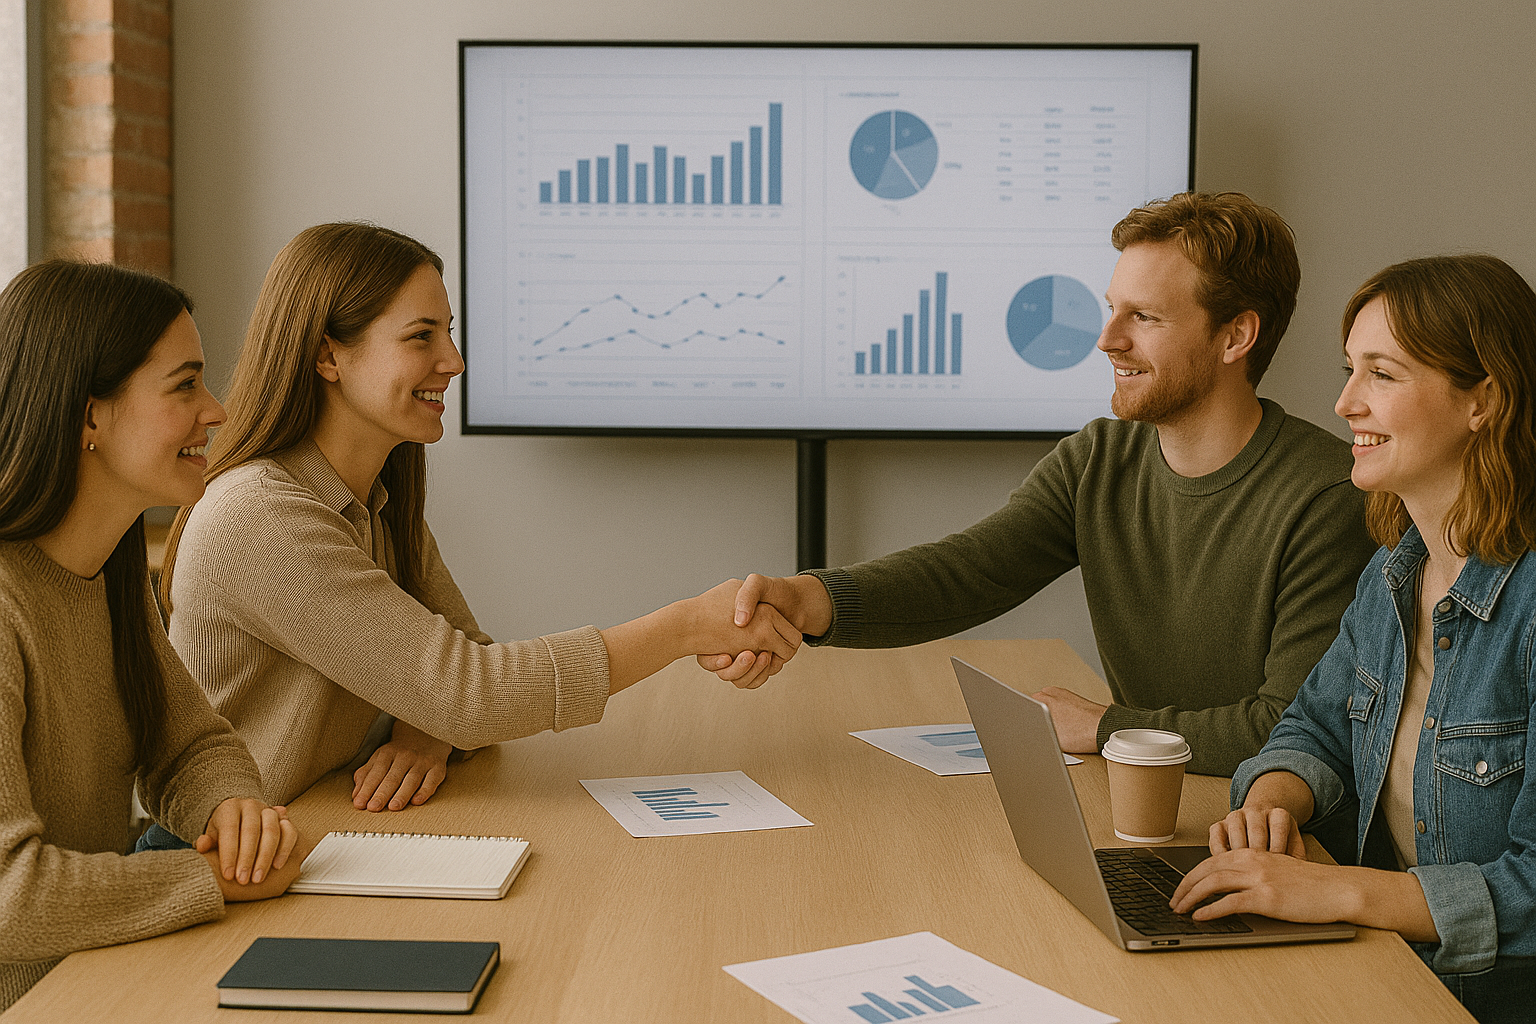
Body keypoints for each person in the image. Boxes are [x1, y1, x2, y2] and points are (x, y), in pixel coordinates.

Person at [706, 192, 1377, 776]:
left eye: (1144, 318)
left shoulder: (1327, 499)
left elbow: (1289, 730)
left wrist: (1103, 727)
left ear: (1236, 337)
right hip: (1150, 799)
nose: (1107, 339)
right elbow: (967, 572)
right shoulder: (1100, 458)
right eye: (1112, 310)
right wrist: (807, 599)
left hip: (1271, 836)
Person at [159, 222, 799, 811]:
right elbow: (472, 693)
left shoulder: (376, 499)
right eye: (421, 337)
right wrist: (684, 626)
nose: (455, 362)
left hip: (317, 829)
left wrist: (428, 725)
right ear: (329, 357)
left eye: (449, 332)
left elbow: (463, 671)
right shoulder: (262, 518)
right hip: (236, 855)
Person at [1169, 254, 1536, 1023]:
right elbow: (1314, 727)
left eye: (1383, 375)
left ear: (1485, 401)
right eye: (1349, 371)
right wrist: (1274, 802)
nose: (1343, 403)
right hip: (1385, 973)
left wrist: (1335, 890)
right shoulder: (1394, 573)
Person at [0, 260, 301, 1010]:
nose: (218, 411)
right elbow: (11, 895)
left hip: (96, 977)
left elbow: (189, 744)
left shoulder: (110, 571)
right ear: (88, 415)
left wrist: (233, 811)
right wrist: (209, 878)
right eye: (184, 386)